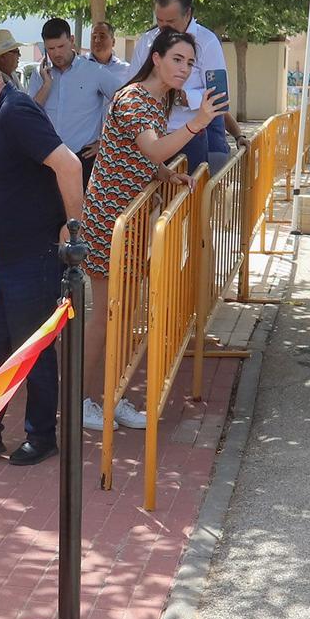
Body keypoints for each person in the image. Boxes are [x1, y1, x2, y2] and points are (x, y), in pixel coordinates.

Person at [76, 29, 224, 433]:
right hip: (110, 221)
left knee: (122, 317)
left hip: (131, 221)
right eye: (177, 59)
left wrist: (165, 177)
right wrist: (197, 124)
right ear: (156, 58)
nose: (184, 68)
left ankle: (111, 396)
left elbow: (141, 155)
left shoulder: (156, 100)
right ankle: (81, 401)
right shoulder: (135, 98)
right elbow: (154, 148)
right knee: (108, 317)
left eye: (190, 63)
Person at [0, 44, 84, 465]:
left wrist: (72, 225)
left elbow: (69, 165)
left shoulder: (15, 112)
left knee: (34, 348)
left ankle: (42, 434)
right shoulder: (2, 115)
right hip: (1, 257)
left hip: (31, 255)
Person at [127, 0, 245, 169]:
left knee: (188, 194)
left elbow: (220, 98)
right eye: (159, 20)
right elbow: (132, 83)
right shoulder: (147, 41)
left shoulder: (207, 42)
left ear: (187, 14)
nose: (164, 28)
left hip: (189, 138)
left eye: (171, 21)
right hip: (149, 136)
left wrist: (184, 98)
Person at [29, 17, 116, 184]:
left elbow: (125, 103)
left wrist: (106, 140)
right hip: (47, 158)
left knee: (81, 210)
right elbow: (31, 114)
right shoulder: (39, 74)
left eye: (61, 46)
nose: (56, 53)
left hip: (83, 158)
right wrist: (47, 85)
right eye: (51, 48)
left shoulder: (94, 71)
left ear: (72, 41)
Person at [88, 19, 131, 85]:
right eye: (94, 37)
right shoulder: (79, 65)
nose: (97, 40)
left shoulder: (126, 69)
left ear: (113, 42)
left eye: (102, 37)